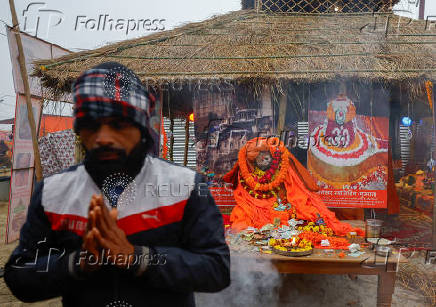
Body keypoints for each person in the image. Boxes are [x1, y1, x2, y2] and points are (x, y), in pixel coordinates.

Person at [4, 62, 230, 307]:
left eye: (118, 124)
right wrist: (78, 262)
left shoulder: (185, 187)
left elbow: (216, 269)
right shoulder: (53, 193)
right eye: (91, 125)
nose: (103, 138)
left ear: (142, 128)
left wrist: (137, 257)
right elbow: (19, 275)